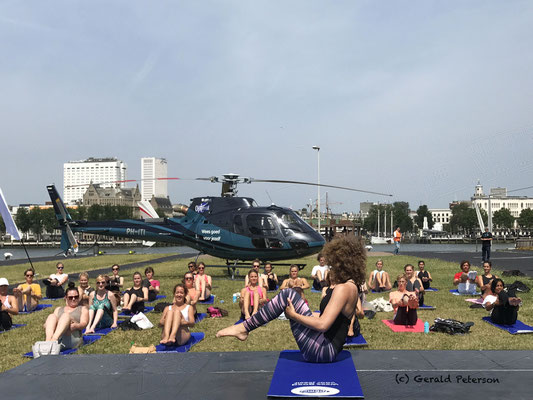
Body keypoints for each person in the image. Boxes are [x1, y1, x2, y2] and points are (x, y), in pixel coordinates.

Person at [216, 235, 365, 363]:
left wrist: (294, 316)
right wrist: (301, 313)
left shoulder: (343, 289)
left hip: (322, 351)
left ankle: (243, 328)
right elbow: (331, 320)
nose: (331, 268)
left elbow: (322, 325)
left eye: (333, 263)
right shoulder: (351, 286)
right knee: (289, 295)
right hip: (327, 349)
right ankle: (244, 328)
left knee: (288, 294)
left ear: (341, 263)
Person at [43, 282, 89, 349]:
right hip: (59, 336)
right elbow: (46, 325)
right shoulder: (58, 309)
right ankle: (48, 341)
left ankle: (53, 340)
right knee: (51, 316)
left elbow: (84, 323)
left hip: (72, 337)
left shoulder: (82, 309)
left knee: (66, 316)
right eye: (71, 297)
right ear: (66, 298)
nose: (73, 299)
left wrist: (76, 325)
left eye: (76, 297)